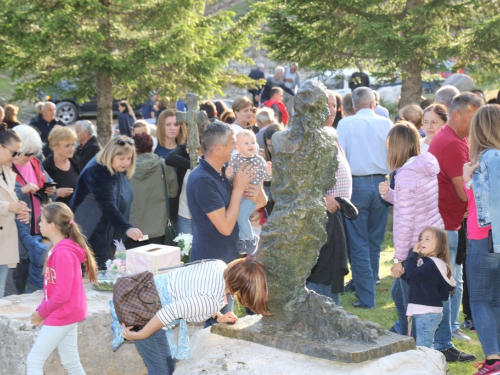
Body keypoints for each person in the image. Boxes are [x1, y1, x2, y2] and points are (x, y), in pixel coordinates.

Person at [120, 257, 272, 375]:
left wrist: (218, 316)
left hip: (144, 292)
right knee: (162, 371)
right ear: (242, 291)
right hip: (145, 311)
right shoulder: (211, 300)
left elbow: (195, 291)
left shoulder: (219, 265)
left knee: (165, 365)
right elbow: (170, 311)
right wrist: (140, 334)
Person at [428, 92, 483, 361]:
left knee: (452, 282)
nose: (475, 126)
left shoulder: (456, 139)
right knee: (449, 283)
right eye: (473, 118)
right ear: (457, 114)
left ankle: (444, 337)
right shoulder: (452, 143)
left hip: (448, 221)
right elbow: (465, 193)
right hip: (447, 223)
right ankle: (443, 343)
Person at [378, 122, 444, 336]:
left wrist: (399, 259)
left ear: (397, 146)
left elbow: (406, 219)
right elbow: (413, 202)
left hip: (415, 246)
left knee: (411, 303)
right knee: (399, 295)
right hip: (431, 238)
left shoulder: (406, 174)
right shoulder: (423, 165)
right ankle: (405, 334)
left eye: (389, 146)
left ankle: (413, 345)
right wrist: (389, 194)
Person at [337, 87, 393, 309]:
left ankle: (366, 296)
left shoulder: (346, 124)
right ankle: (368, 289)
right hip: (381, 182)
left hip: (356, 184)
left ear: (352, 106)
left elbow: (340, 158)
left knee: (359, 243)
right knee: (373, 242)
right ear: (373, 104)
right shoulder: (386, 123)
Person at [26, 202, 98, 374]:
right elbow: (51, 288)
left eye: (42, 221)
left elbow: (62, 294)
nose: (39, 225)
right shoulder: (58, 249)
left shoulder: (63, 253)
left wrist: (42, 313)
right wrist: (42, 309)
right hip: (67, 312)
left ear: (52, 226)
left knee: (34, 361)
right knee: (71, 362)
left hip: (63, 313)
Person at [463, 104, 500, 374]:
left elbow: (488, 205)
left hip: (484, 238)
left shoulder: (488, 159)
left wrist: (469, 181)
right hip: (492, 239)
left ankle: (493, 360)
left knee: (479, 299)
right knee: (495, 299)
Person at [70, 136, 144, 268]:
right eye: (122, 158)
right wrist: (126, 228)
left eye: (129, 158)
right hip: (88, 234)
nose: (126, 163)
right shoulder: (98, 172)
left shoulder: (113, 167)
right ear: (110, 155)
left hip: (103, 232)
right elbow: (108, 206)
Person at [307, 90, 351, 305]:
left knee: (331, 271)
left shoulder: (329, 133)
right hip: (320, 215)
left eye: (334, 105)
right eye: (326, 105)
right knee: (321, 272)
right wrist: (323, 197)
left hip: (334, 215)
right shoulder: (311, 137)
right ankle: (321, 314)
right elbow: (302, 175)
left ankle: (330, 313)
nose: (331, 110)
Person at [7, 125, 55, 296]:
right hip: (17, 233)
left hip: (38, 230)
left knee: (36, 279)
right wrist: (22, 190)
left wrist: (50, 191)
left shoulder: (35, 163)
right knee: (15, 279)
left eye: (34, 153)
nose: (31, 157)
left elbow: (48, 183)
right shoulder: (6, 166)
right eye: (27, 153)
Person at [403, 227, 456, 349]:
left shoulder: (432, 264)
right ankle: (425, 366)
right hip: (423, 312)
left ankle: (429, 367)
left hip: (426, 313)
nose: (422, 242)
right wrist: (403, 275)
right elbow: (416, 280)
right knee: (423, 346)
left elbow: (413, 274)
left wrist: (413, 255)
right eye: (421, 239)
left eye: (427, 239)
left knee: (424, 348)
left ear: (441, 245)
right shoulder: (427, 263)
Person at [226, 130, 272, 254]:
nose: (251, 145)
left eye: (253, 142)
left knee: (241, 216)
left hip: (252, 195)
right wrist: (228, 174)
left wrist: (269, 172)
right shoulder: (235, 159)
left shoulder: (259, 160)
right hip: (239, 194)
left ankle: (251, 239)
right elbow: (232, 179)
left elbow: (267, 179)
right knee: (237, 215)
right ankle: (242, 240)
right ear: (237, 147)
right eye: (246, 143)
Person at [128, 133, 178, 248]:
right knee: (158, 264)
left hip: (133, 229)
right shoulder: (164, 165)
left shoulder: (126, 169)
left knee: (134, 264)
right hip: (158, 227)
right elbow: (172, 192)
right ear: (152, 146)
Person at [0, 125, 30, 298]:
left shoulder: (8, 172)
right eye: (14, 152)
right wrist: (8, 207)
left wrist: (21, 210)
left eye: (19, 153)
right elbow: (5, 205)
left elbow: (10, 202)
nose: (16, 157)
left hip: (5, 245)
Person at [43, 126, 82, 205]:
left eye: (73, 144)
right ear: (54, 147)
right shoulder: (47, 167)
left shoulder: (75, 160)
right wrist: (56, 193)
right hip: (59, 213)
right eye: (67, 145)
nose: (71, 149)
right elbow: (41, 197)